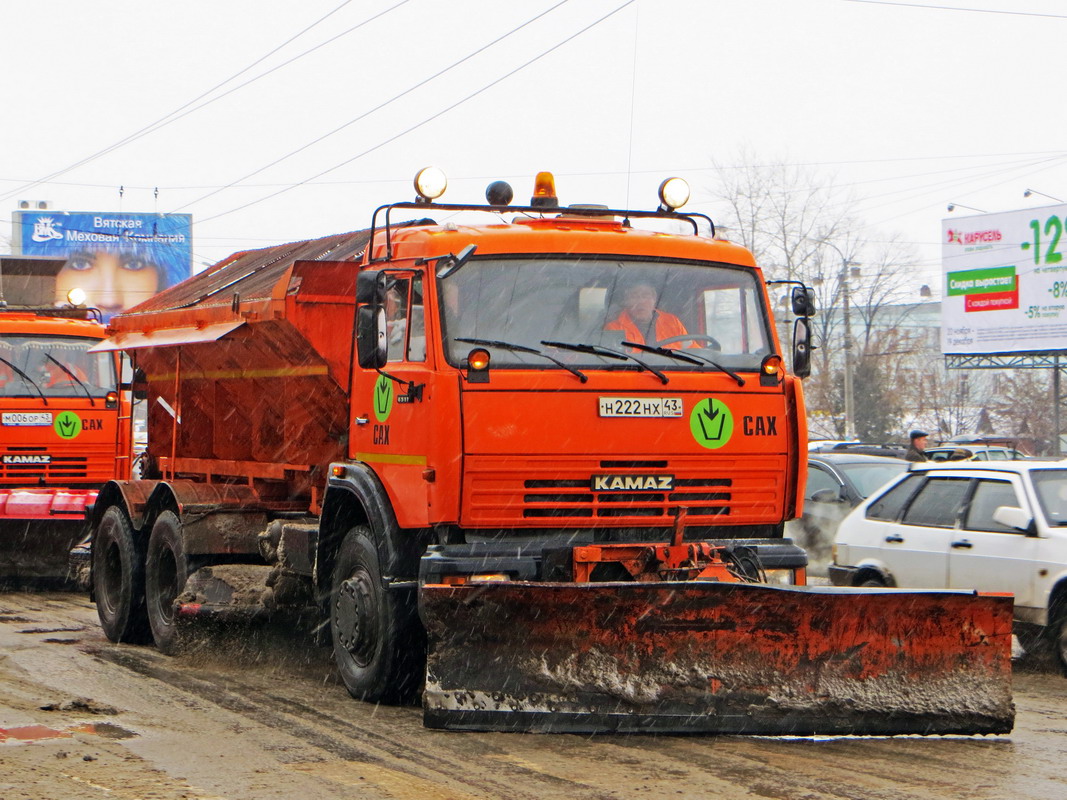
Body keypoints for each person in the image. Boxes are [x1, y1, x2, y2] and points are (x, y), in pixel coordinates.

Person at [604, 281, 689, 349]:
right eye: (634, 296)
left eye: (646, 296)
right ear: (627, 301)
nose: (641, 302)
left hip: (675, 370)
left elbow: (693, 352)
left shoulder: (672, 322)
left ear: (654, 298)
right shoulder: (614, 327)